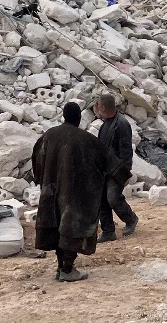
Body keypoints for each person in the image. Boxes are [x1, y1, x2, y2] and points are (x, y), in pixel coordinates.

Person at [32, 102, 111, 282]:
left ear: (64, 116)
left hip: (51, 192)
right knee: (70, 228)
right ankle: (67, 268)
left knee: (57, 227)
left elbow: (37, 159)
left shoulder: (48, 136)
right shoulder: (86, 139)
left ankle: (61, 267)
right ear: (78, 118)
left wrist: (42, 181)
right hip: (75, 194)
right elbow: (107, 163)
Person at [94, 92, 139, 241]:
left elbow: (126, 151)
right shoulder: (106, 123)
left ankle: (131, 219)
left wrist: (126, 173)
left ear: (104, 107)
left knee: (113, 198)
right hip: (105, 170)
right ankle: (108, 231)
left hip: (117, 170)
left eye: (99, 106)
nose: (97, 109)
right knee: (101, 199)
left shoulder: (122, 124)